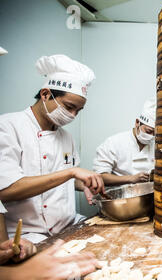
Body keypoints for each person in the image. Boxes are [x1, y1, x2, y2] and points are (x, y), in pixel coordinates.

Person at [0, 54, 105, 244]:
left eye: (78, 111)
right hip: (26, 236)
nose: (72, 115)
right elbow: (6, 189)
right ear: (46, 94)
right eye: (69, 107)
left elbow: (64, 181)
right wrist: (71, 173)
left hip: (68, 225)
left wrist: (85, 184)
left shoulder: (66, 137)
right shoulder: (8, 127)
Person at [92, 99, 156, 186]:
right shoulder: (114, 143)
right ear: (137, 123)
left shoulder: (156, 146)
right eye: (148, 131)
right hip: (121, 197)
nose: (151, 136)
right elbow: (99, 176)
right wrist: (131, 178)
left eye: (155, 134)